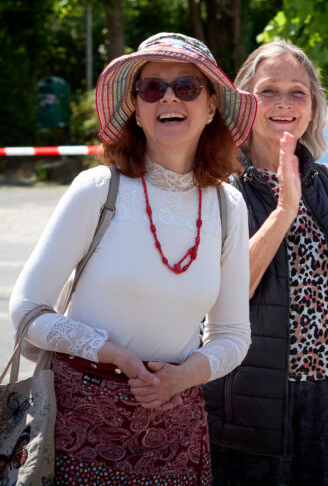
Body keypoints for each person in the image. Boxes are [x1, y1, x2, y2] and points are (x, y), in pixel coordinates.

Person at [10, 32, 256, 483]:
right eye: (151, 88)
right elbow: (26, 313)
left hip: (177, 431)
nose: (167, 97)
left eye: (186, 86)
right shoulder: (98, 189)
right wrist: (118, 356)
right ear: (137, 110)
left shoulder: (228, 206)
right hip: (76, 424)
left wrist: (181, 379)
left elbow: (233, 335)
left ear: (210, 107)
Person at [203, 40, 328, 485]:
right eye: (269, 91)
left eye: (298, 93)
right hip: (252, 394)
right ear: (245, 103)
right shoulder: (220, 185)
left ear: (312, 108)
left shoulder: (324, 181)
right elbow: (226, 290)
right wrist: (285, 209)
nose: (284, 104)